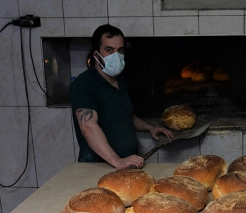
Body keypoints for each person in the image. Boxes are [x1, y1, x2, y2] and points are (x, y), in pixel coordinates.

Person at [70, 24, 173, 170]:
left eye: (120, 50)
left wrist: (150, 128)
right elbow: (88, 126)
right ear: (96, 54)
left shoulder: (120, 80)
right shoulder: (83, 84)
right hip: (99, 167)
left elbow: (124, 114)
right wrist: (117, 161)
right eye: (109, 50)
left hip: (127, 164)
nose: (116, 56)